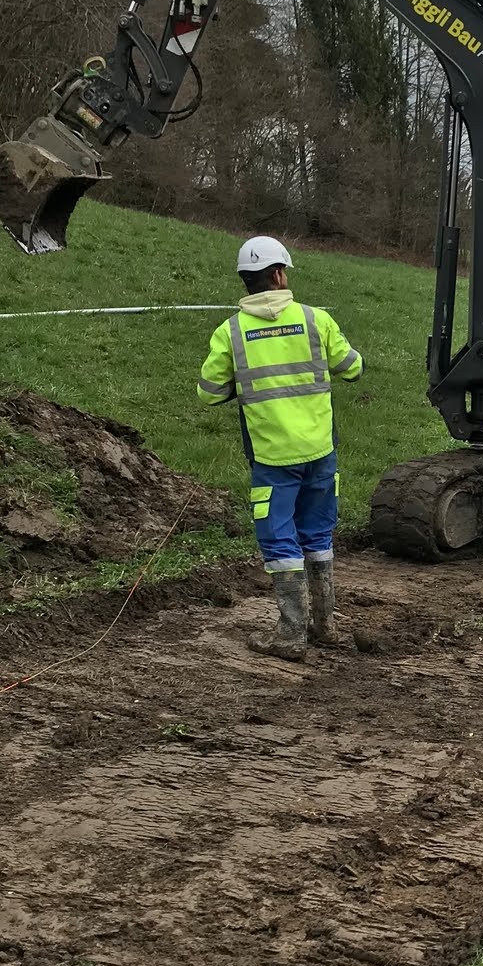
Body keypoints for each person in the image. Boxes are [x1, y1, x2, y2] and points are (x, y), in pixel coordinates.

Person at [197, 236, 363, 659]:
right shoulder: (315, 320)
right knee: (318, 533)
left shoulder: (230, 333)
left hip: (272, 460)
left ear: (246, 281)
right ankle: (324, 626)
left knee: (279, 541)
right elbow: (352, 368)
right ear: (279, 274)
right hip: (320, 451)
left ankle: (291, 635)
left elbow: (210, 393)